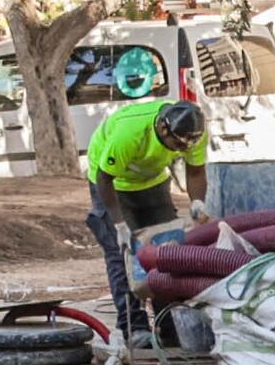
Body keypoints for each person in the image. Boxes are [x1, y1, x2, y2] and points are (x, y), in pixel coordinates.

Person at [79, 90, 212, 346]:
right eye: (178, 145)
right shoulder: (129, 132)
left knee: (168, 249)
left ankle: (170, 324)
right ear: (163, 128)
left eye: (188, 145)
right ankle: (135, 327)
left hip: (152, 181)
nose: (183, 149)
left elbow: (195, 171)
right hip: (112, 184)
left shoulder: (194, 133)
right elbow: (105, 179)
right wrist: (119, 225)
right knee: (124, 253)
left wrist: (197, 202)